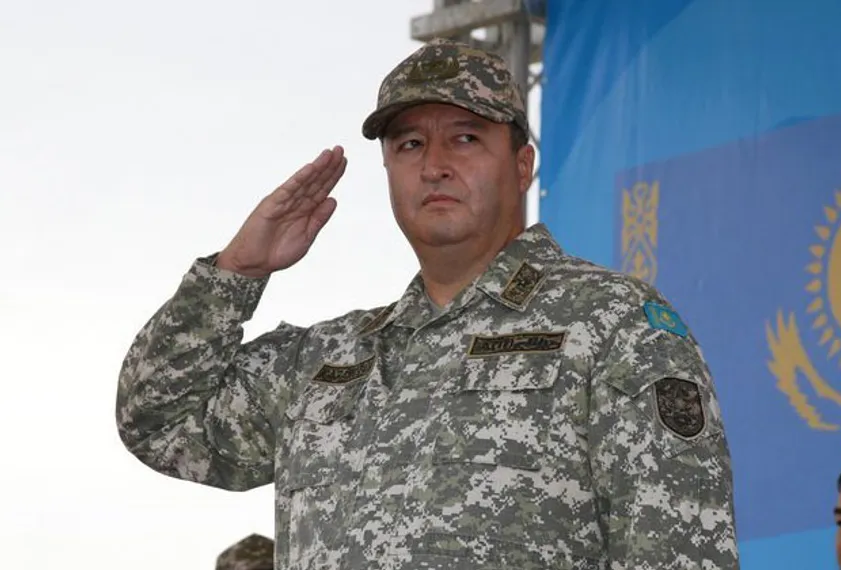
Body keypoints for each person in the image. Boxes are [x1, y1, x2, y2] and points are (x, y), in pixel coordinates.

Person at [116, 38, 740, 569]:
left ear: (522, 166)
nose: (434, 165)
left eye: (465, 139)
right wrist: (235, 274)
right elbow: (158, 423)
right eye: (410, 145)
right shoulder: (321, 361)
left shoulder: (612, 324)